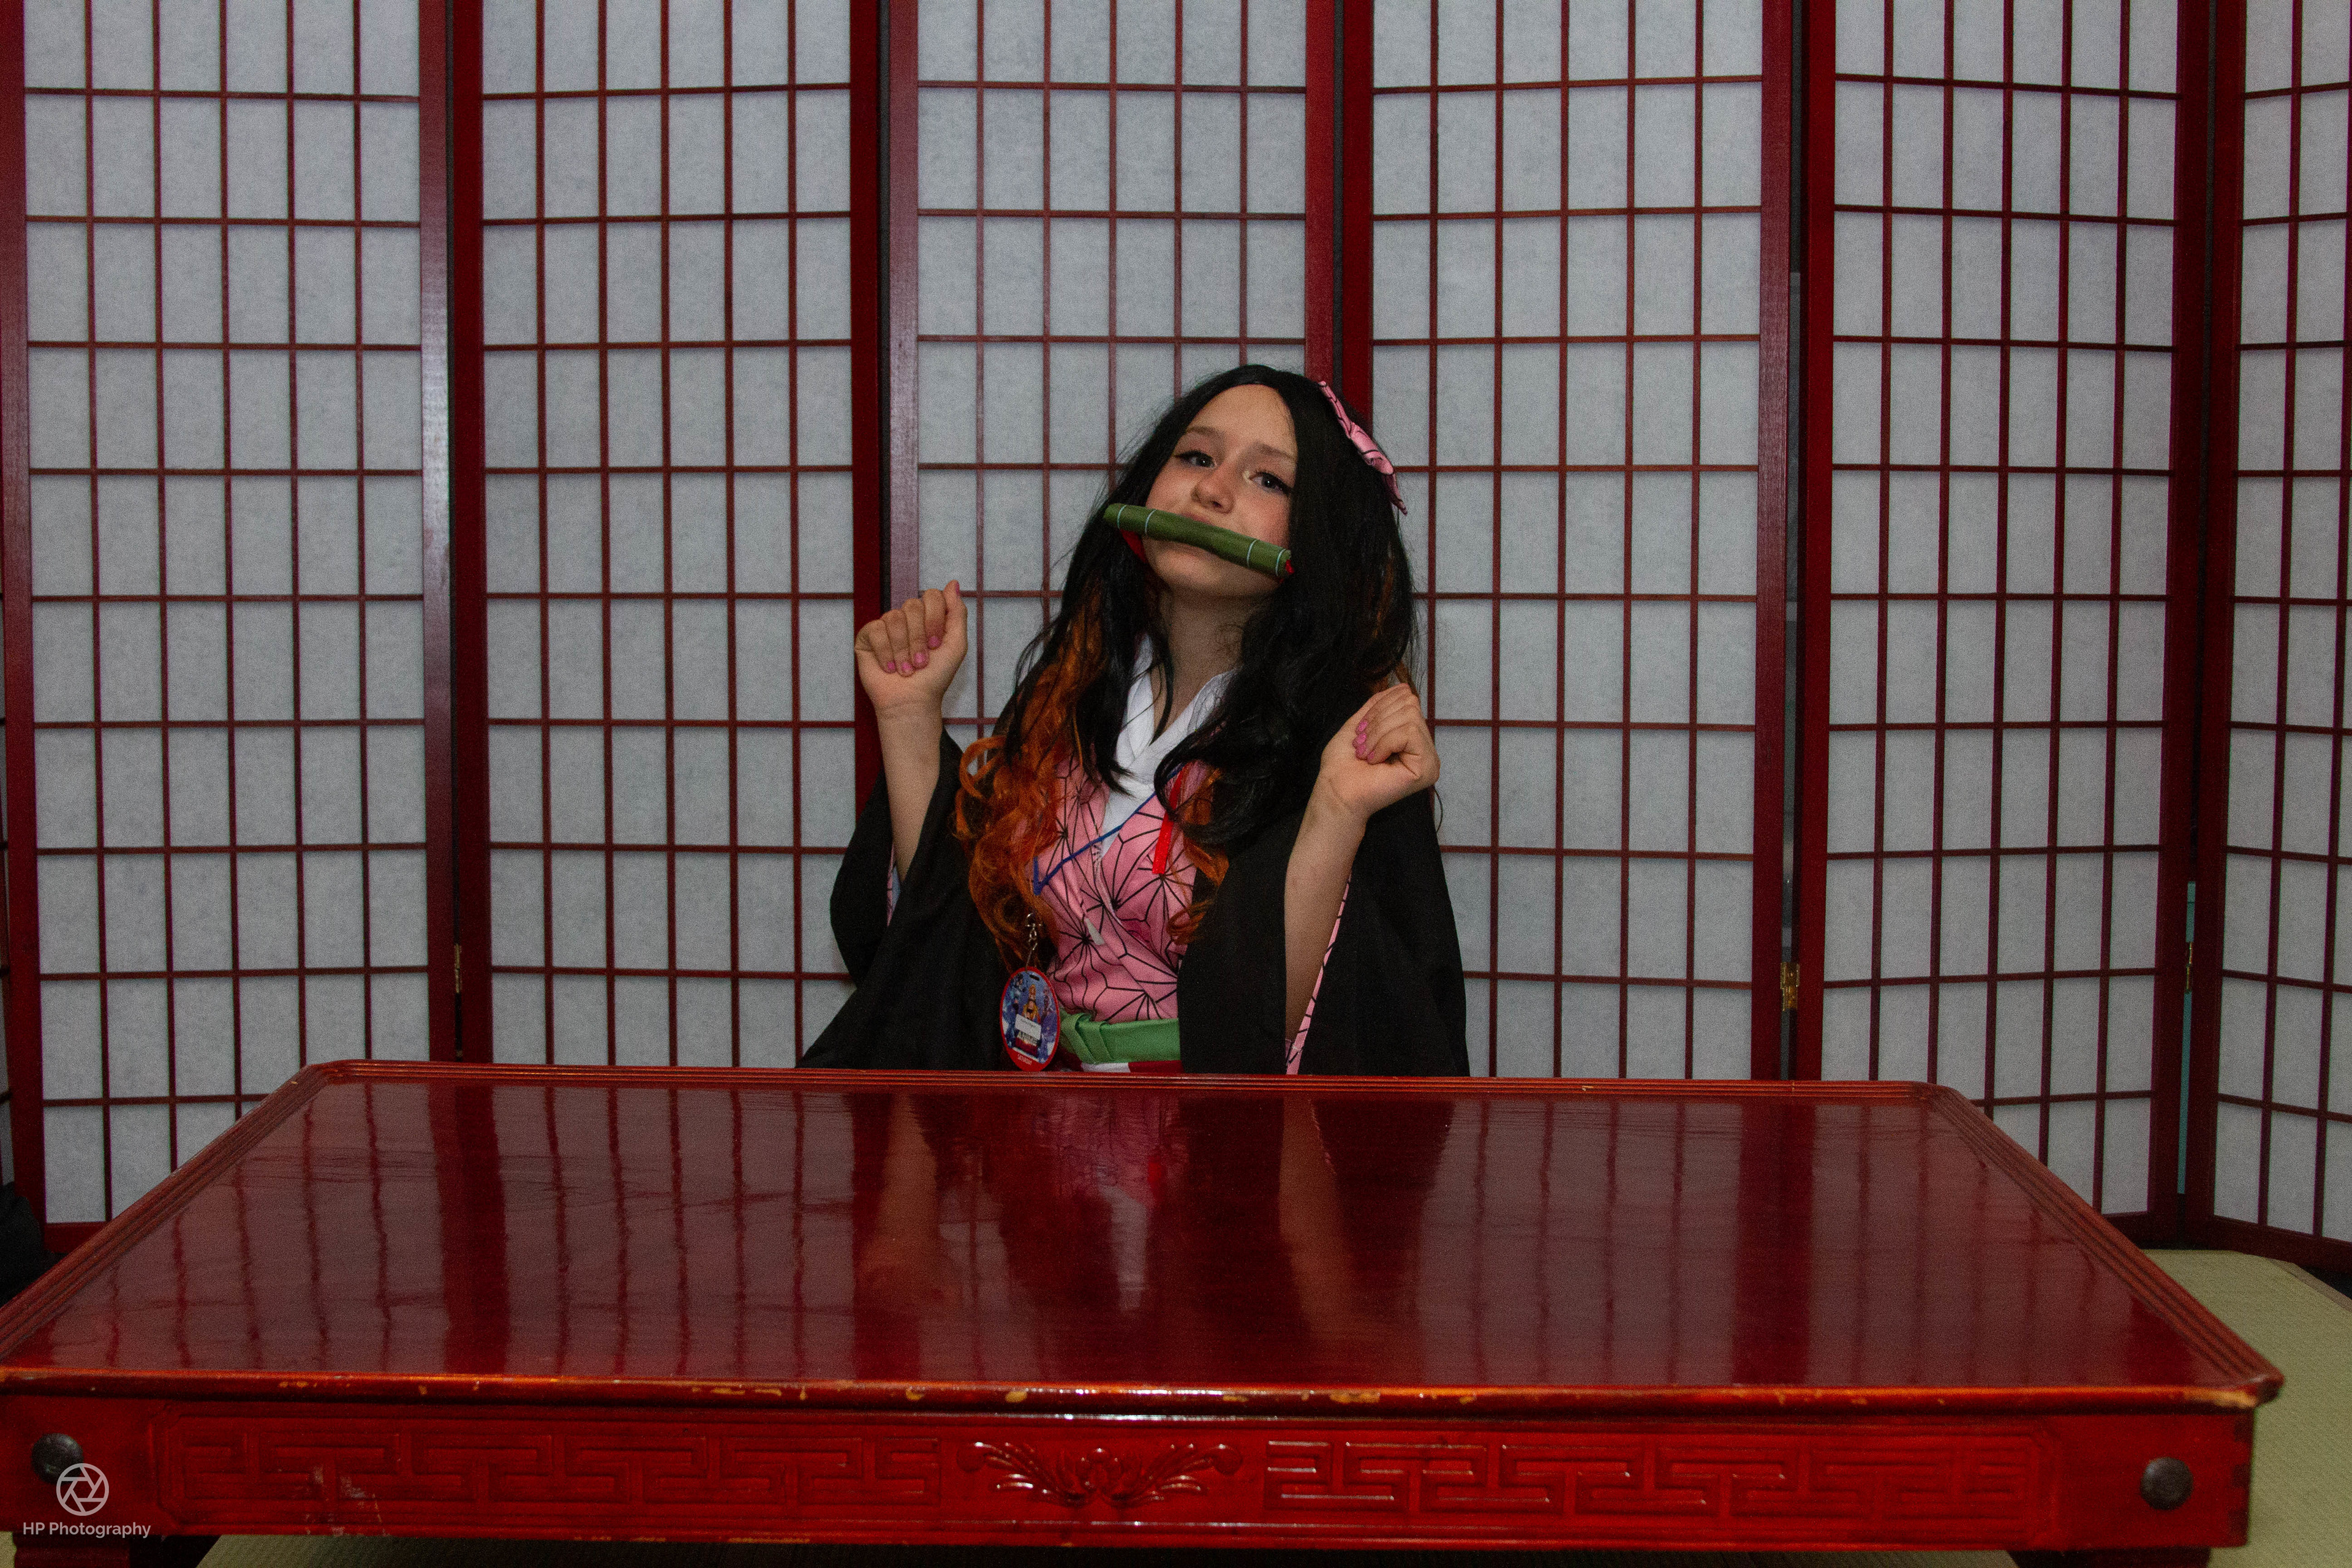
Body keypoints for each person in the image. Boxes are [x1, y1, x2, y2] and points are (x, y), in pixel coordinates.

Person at [802, 364, 1466, 1075]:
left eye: (1269, 480)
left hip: (1209, 1126)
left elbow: (1316, 1021)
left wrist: (1335, 813)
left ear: (1321, 538)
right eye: (1197, 457)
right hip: (1044, 1115)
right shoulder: (1069, 704)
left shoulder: (1340, 750)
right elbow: (950, 951)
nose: (1212, 491)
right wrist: (907, 715)